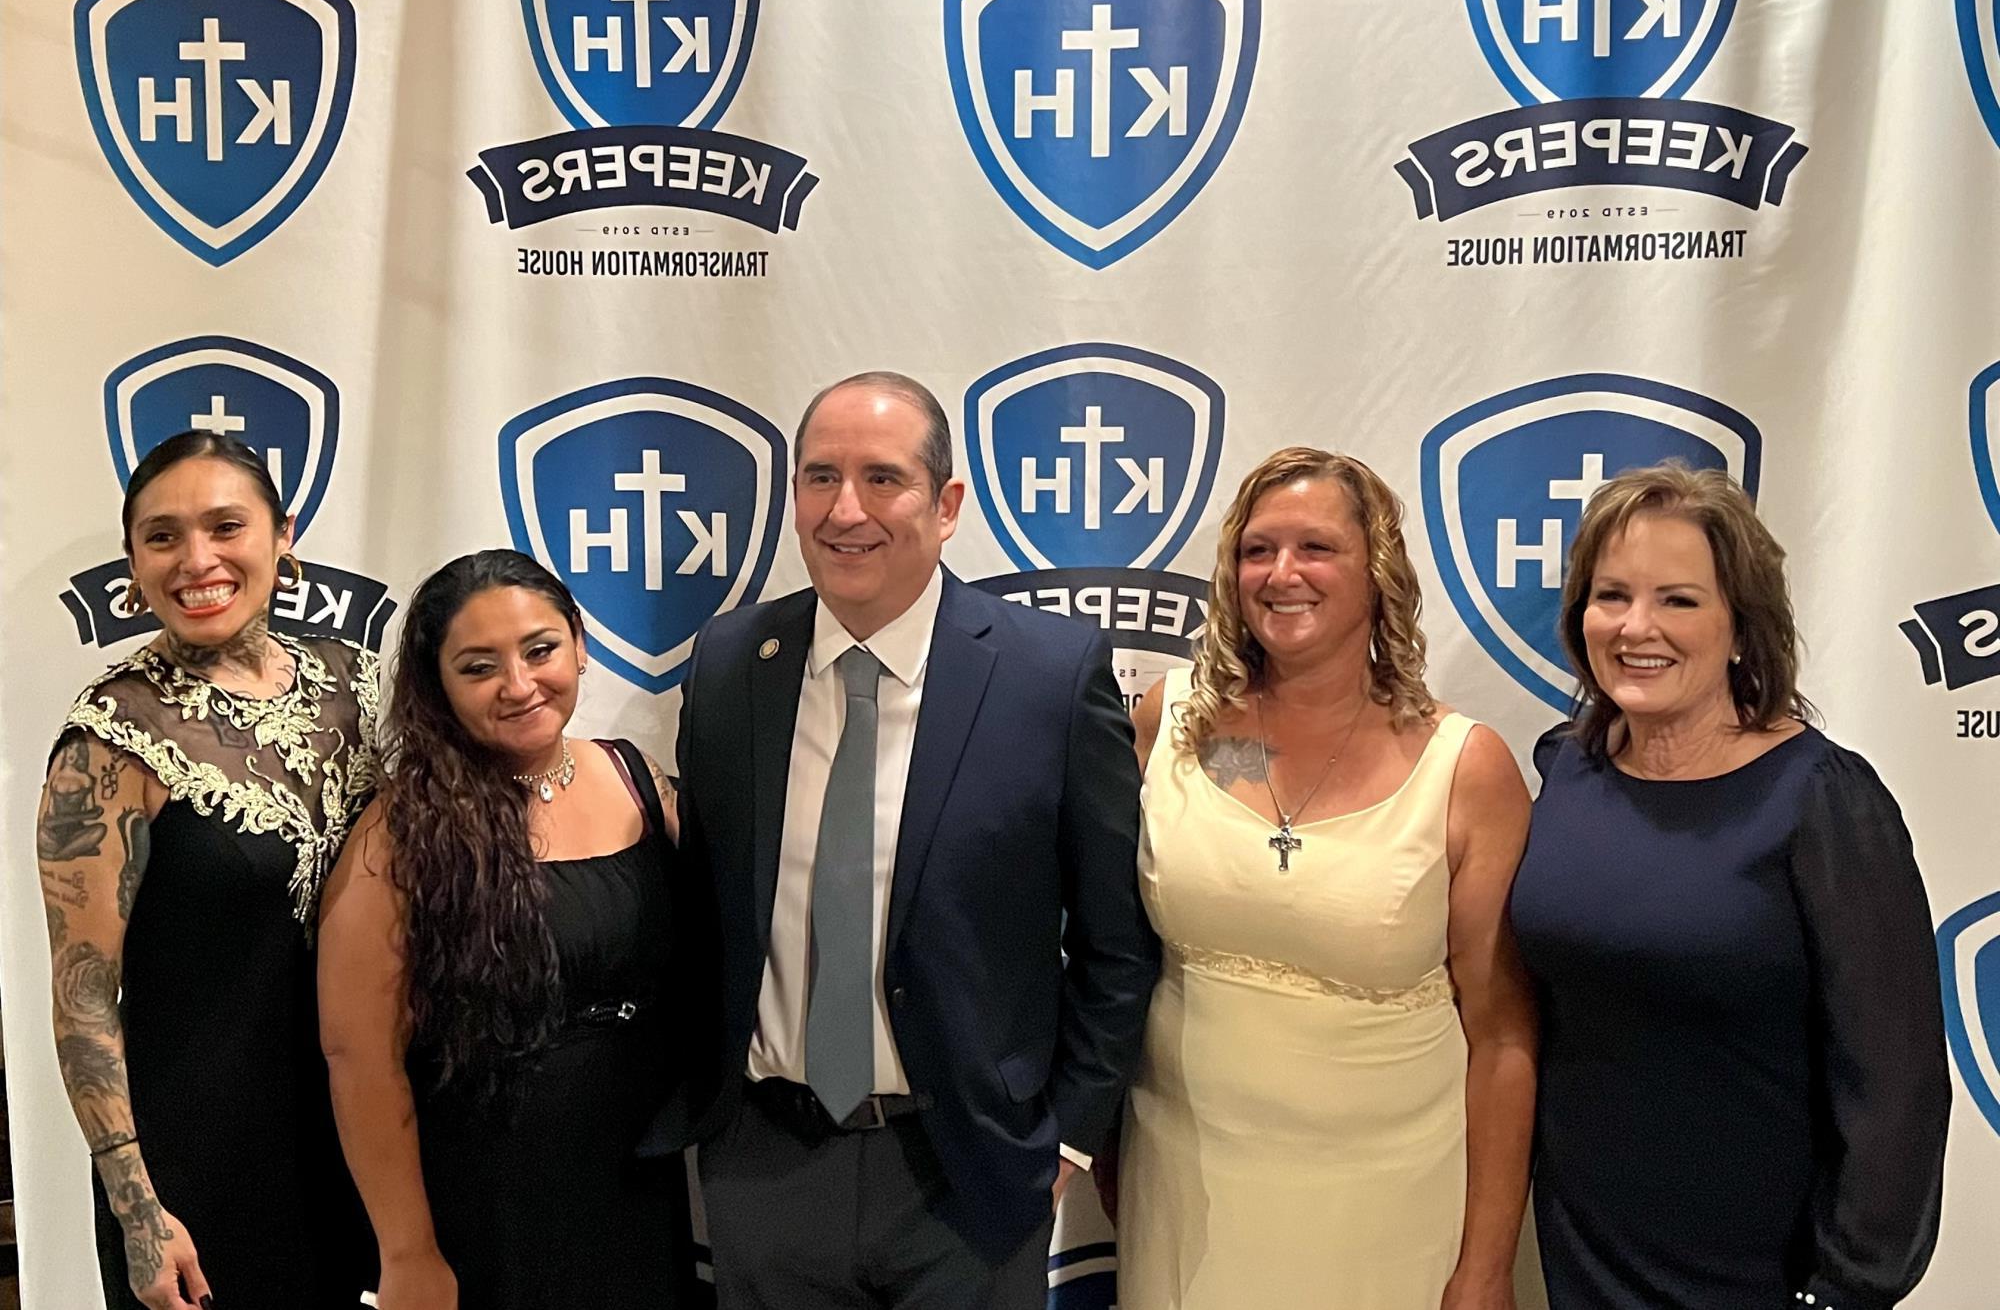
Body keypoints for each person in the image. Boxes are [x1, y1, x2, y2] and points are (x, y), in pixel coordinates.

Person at [659, 370, 1158, 1308]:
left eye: (882, 478)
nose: (846, 509)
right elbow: (706, 901)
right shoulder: (731, 663)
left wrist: (1066, 1135)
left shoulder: (1049, 676)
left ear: (947, 503)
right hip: (767, 1167)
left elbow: (1116, 941)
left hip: (967, 1175)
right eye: (819, 478)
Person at [1509, 464, 1950, 1308]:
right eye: (1612, 595)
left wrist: (1844, 1290)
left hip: (1759, 1279)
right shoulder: (1564, 772)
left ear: (1742, 627)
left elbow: (1896, 1084)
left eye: (1679, 599)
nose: (1638, 627)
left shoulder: (1820, 798)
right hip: (1582, 1262)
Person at [1113, 447, 1537, 1309]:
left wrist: (1486, 1266)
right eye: (1257, 549)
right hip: (1183, 1194)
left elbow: (1501, 1036)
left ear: (1377, 571)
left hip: (1388, 1211)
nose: (1281, 573)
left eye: (1317, 548)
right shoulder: (1172, 721)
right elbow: (1108, 959)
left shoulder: (1466, 767)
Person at [36, 430, 377, 1310]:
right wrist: (138, 1210)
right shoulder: (108, 741)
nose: (198, 559)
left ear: (282, 535)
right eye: (163, 536)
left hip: (364, 1148)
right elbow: (82, 997)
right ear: (134, 562)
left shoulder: (363, 689)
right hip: (200, 1170)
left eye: (226, 525)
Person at [318, 550, 700, 1310]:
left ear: (581, 645)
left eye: (540, 649)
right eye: (479, 665)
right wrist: (408, 1249)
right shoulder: (400, 834)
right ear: (438, 686)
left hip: (638, 1177)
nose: (520, 685)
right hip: (489, 1201)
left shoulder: (637, 777)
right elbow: (359, 1059)